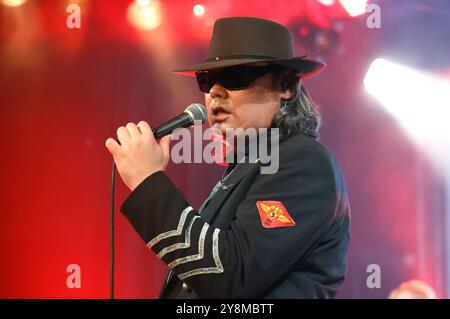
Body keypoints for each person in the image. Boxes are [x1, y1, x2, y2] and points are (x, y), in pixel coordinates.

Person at [105, 17, 350, 298]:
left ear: (286, 86)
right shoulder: (246, 167)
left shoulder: (304, 162)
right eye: (207, 80)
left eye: (236, 78)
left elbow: (228, 276)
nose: (214, 93)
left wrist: (149, 182)